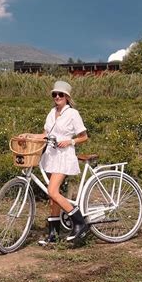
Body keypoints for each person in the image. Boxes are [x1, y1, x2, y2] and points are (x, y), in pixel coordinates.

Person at [20, 80, 89, 245]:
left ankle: (80, 223)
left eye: (60, 94)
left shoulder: (73, 114)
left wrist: (70, 141)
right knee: (53, 198)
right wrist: (28, 135)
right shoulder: (52, 113)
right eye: (54, 94)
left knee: (52, 191)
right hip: (50, 156)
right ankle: (53, 235)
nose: (57, 97)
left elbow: (84, 136)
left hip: (64, 156)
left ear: (67, 97)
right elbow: (45, 134)